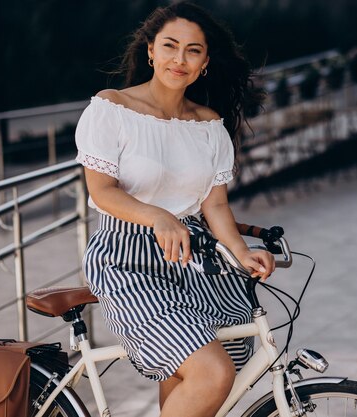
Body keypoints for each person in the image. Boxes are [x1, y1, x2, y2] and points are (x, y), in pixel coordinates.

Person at [74, 2, 275, 417]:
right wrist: (158, 216)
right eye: (170, 46)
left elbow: (214, 204)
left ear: (205, 63)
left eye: (193, 51)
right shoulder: (111, 109)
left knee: (203, 371)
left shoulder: (208, 125)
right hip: (127, 261)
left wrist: (240, 252)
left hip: (196, 261)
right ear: (150, 50)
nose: (179, 59)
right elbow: (102, 191)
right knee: (211, 372)